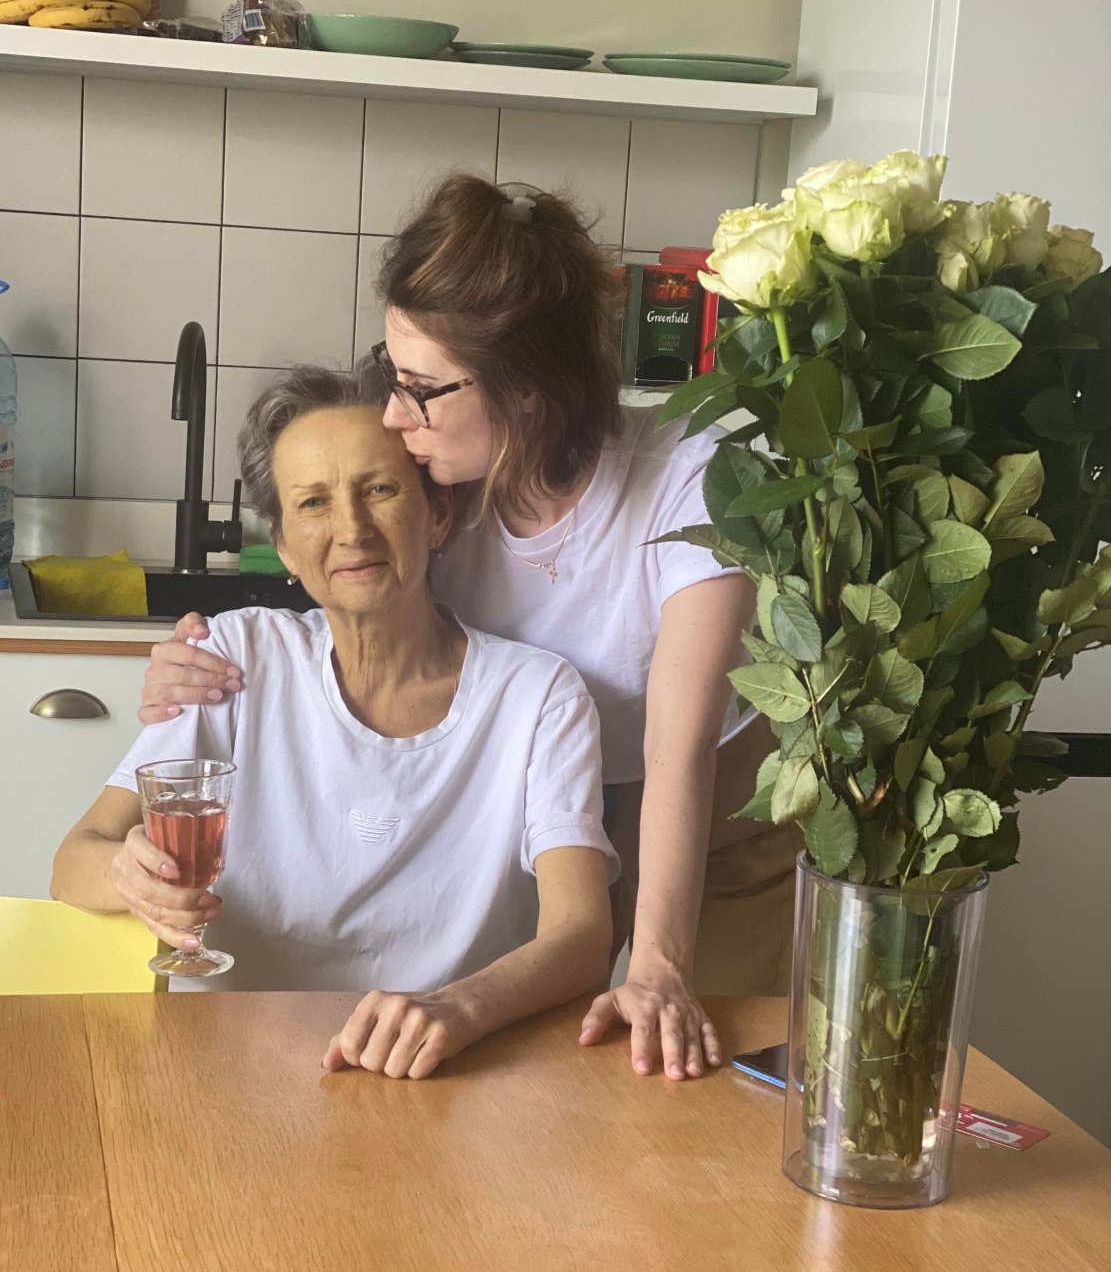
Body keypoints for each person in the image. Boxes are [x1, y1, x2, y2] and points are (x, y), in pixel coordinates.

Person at [136, 175, 800, 1082]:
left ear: (526, 390)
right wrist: (201, 667)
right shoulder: (444, 470)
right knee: (556, 1075)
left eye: (421, 389)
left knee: (696, 1071)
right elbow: (354, 574)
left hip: (714, 811)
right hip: (558, 786)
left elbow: (678, 753)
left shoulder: (693, 476)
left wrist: (657, 970)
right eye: (393, 373)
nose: (394, 414)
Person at [52, 366, 616, 1080]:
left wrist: (459, 1008)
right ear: (284, 545)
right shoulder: (236, 657)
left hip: (445, 1073)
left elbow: (581, 934)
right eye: (313, 502)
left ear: (437, 515)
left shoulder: (540, 697)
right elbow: (71, 862)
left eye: (379, 490)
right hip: (228, 1067)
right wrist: (127, 876)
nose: (351, 529)